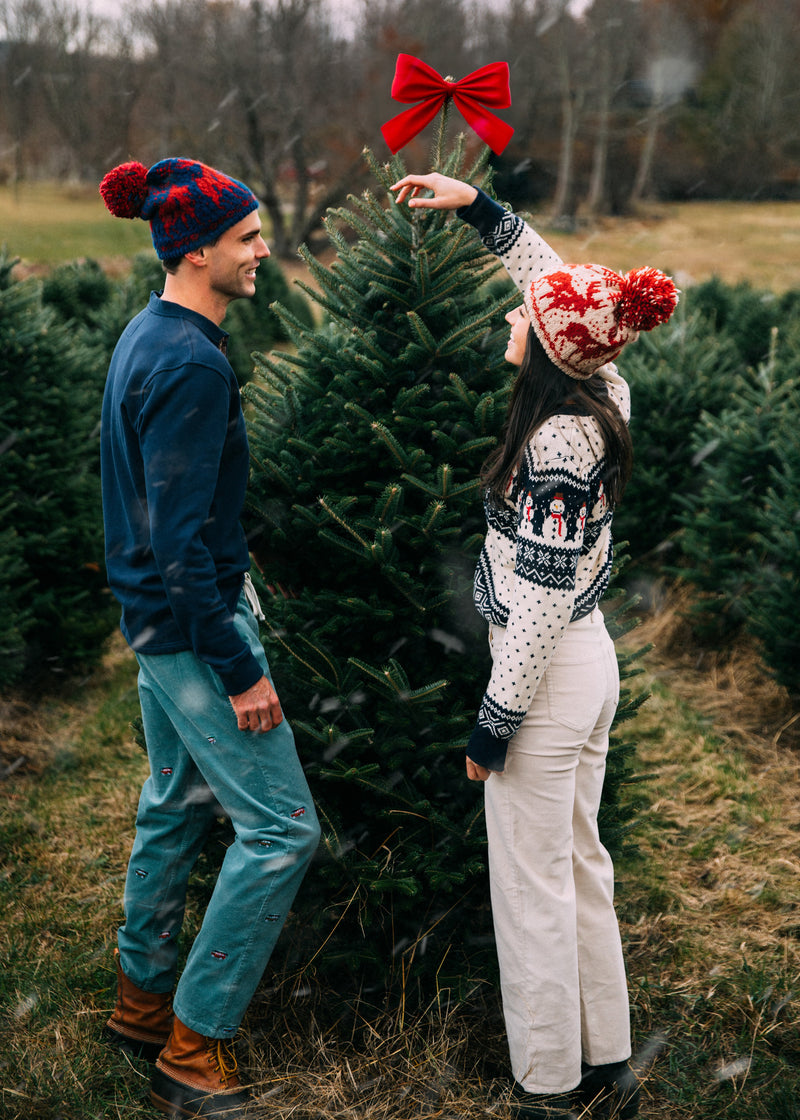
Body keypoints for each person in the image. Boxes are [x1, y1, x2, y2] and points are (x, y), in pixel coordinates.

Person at [391, 172, 678, 1120]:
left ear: (548, 350)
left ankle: (549, 1090)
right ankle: (609, 1066)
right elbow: (559, 287)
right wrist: (480, 208)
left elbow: (541, 604)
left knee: (532, 890)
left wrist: (494, 725)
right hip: (591, 667)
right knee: (581, 866)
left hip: (548, 677)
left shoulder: (556, 444)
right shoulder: (605, 384)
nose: (514, 316)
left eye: (524, 317)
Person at [99, 158, 321, 1120]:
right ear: (197, 251)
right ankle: (194, 1049)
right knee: (281, 831)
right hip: (194, 630)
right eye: (247, 238)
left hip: (151, 626)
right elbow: (181, 540)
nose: (263, 251)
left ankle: (140, 1003)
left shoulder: (147, 333)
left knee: (176, 802)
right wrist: (238, 669)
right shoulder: (191, 359)